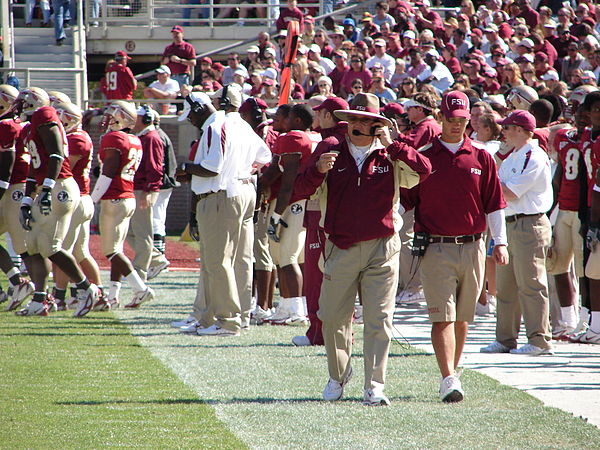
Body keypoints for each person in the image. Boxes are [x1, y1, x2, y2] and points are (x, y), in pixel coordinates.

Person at [293, 93, 431, 405]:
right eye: (353, 119)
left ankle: (375, 385)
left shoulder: (390, 153)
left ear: (377, 125)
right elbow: (301, 188)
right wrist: (317, 170)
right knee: (331, 316)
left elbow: (424, 171)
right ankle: (338, 375)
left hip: (382, 247)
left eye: (366, 120)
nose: (358, 125)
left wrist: (394, 144)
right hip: (339, 245)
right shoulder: (330, 148)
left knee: (379, 318)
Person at [402, 91, 508, 402]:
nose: (456, 125)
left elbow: (494, 203)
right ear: (441, 118)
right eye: (451, 119)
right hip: (436, 246)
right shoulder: (424, 157)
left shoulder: (481, 156)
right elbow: (405, 202)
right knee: (442, 316)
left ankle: (453, 372)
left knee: (463, 317)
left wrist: (499, 242)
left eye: (462, 120)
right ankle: (448, 377)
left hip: (474, 245)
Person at [176, 89, 271, 336]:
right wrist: (243, 171)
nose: (190, 120)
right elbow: (265, 155)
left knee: (218, 262)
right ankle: (239, 316)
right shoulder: (243, 126)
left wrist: (186, 168)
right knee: (240, 260)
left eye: (216, 100)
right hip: (244, 192)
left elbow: (212, 168)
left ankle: (228, 321)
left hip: (223, 195)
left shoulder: (217, 125)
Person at [14, 88, 99, 317]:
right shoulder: (31, 128)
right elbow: (35, 165)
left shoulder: (44, 115)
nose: (18, 107)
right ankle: (40, 300)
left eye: (22, 103)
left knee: (50, 246)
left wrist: (48, 188)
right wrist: (26, 198)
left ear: (33, 103)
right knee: (32, 246)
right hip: (46, 185)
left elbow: (56, 155)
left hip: (60, 186)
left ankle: (86, 289)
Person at [481, 110, 554, 356]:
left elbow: (509, 193)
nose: (504, 132)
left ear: (522, 131)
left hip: (529, 224)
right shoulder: (514, 156)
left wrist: (486, 187)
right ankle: (505, 339)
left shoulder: (534, 156)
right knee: (506, 286)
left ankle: (539, 340)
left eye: (509, 128)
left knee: (531, 284)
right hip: (510, 223)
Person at [292, 97, 349, 347]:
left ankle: (317, 333)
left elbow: (303, 185)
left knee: (317, 279)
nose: (316, 118)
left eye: (320, 113)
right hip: (346, 220)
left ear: (328, 115)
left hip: (321, 216)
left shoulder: (329, 142)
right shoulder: (355, 139)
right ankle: (341, 333)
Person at [90, 101, 155, 309]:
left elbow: (108, 173)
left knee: (111, 251)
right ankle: (113, 294)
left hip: (114, 198)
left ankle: (140, 288)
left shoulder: (114, 138)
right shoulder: (134, 139)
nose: (107, 117)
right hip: (127, 197)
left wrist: (92, 200)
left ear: (124, 117)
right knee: (117, 250)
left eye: (112, 113)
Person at [258, 104, 316, 325]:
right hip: (301, 202)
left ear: (298, 120)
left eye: (286, 117)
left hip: (292, 203)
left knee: (287, 257)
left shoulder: (293, 138)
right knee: (291, 258)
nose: (279, 121)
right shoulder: (307, 136)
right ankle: (287, 305)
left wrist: (277, 214)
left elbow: (288, 182)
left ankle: (295, 310)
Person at [52, 101, 103, 310]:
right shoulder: (78, 137)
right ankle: (99, 294)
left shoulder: (76, 139)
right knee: (80, 252)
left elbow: (64, 170)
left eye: (61, 117)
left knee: (62, 251)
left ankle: (59, 298)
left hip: (76, 199)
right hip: (82, 198)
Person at [547, 106, 587, 339]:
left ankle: (585, 318)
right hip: (564, 208)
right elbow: (559, 176)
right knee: (557, 266)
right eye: (580, 115)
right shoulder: (565, 138)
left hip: (583, 211)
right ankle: (566, 319)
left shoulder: (592, 140)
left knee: (583, 271)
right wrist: (552, 209)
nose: (583, 119)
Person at [0, 85, 35, 312]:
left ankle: (40, 292)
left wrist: (1, 187)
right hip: (22, 186)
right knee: (26, 245)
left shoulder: (5, 125)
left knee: (26, 247)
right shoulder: (23, 124)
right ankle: (17, 282)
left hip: (12, 187)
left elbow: (8, 159)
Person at [127, 106, 164, 283]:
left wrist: (149, 191)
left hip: (143, 190)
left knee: (142, 233)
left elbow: (155, 168)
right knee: (130, 232)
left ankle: (141, 271)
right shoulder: (144, 136)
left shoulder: (151, 137)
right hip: (139, 188)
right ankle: (157, 259)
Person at [148, 110, 180, 280]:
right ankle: (158, 258)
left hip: (161, 183)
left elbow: (158, 165)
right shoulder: (160, 135)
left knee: (155, 219)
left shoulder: (156, 136)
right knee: (157, 219)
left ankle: (158, 259)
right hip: (165, 182)